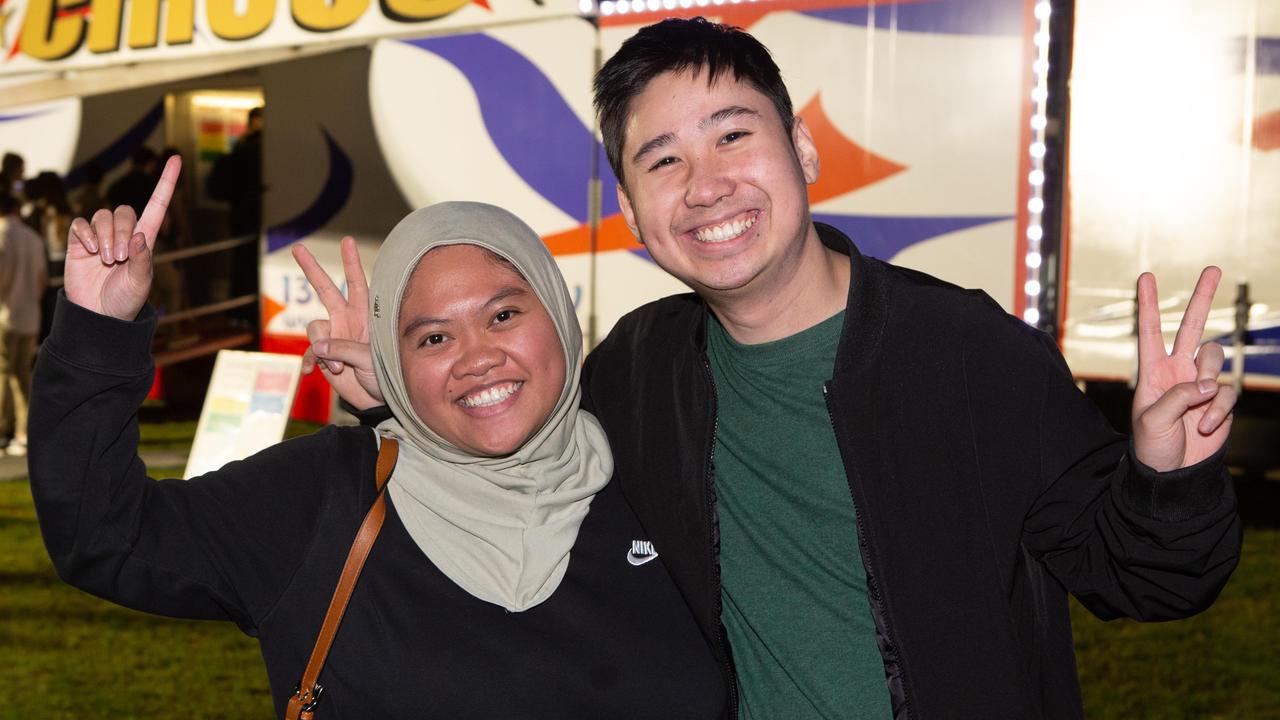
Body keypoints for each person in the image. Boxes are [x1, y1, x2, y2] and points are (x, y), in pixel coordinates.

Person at [306, 17, 1241, 720]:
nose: (705, 184)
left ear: (801, 150)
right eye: (662, 160)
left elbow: (1146, 580)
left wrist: (1168, 476)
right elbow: (520, 476)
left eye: (732, 135)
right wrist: (399, 399)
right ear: (634, 212)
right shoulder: (639, 371)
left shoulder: (969, 355)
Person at [29, 157, 725, 718]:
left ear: (560, 315)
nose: (477, 356)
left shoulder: (665, 475)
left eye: (505, 313)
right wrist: (98, 332)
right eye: (432, 338)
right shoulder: (323, 501)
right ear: (396, 366)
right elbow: (103, 533)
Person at [0, 191, 48, 456]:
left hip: (5, 314)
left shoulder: (3, 235)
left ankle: (2, 433)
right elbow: (42, 280)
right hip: (30, 315)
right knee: (22, 376)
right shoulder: (33, 238)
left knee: (3, 374)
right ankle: (24, 432)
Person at [106, 146, 159, 219]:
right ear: (150, 163)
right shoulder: (150, 184)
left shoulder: (117, 185)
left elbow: (108, 208)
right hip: (144, 225)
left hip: (120, 226)